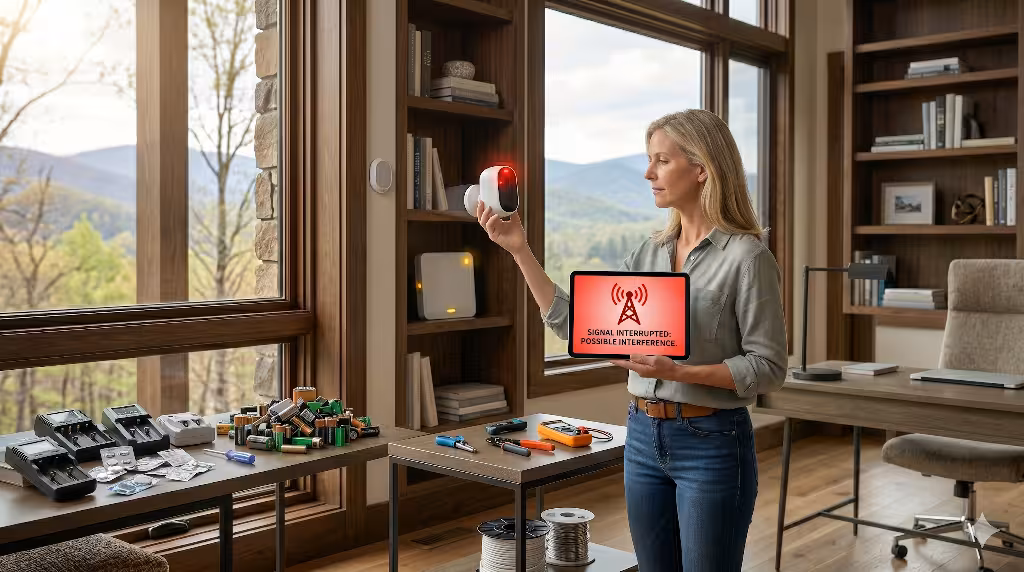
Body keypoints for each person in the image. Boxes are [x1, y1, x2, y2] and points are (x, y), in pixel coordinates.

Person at [474, 108, 788, 571]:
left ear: (701, 169)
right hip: (641, 437)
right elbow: (577, 324)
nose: (648, 173)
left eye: (661, 161)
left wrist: (677, 371)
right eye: (649, 160)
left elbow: (768, 368)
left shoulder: (747, 257)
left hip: (712, 442)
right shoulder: (648, 253)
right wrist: (520, 250)